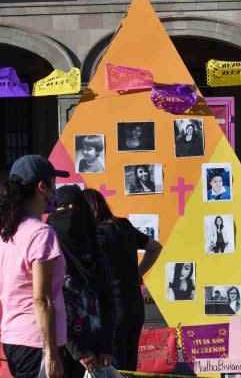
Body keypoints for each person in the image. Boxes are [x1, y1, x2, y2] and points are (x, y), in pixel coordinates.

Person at [0, 154, 70, 378]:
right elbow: (41, 299)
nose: (55, 190)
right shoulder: (41, 233)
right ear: (42, 187)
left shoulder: (7, 232)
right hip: (36, 343)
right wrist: (51, 354)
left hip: (12, 338)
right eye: (53, 184)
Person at [81, 188, 163, 371]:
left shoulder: (97, 235)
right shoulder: (123, 225)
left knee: (112, 367)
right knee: (129, 366)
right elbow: (155, 247)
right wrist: (137, 273)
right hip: (135, 305)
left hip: (113, 310)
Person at [47, 185, 113, 378]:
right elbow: (47, 303)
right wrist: (77, 349)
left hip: (97, 351)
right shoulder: (47, 250)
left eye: (74, 207)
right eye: (62, 209)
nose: (69, 216)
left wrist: (106, 347)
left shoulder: (97, 250)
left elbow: (107, 300)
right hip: (61, 349)